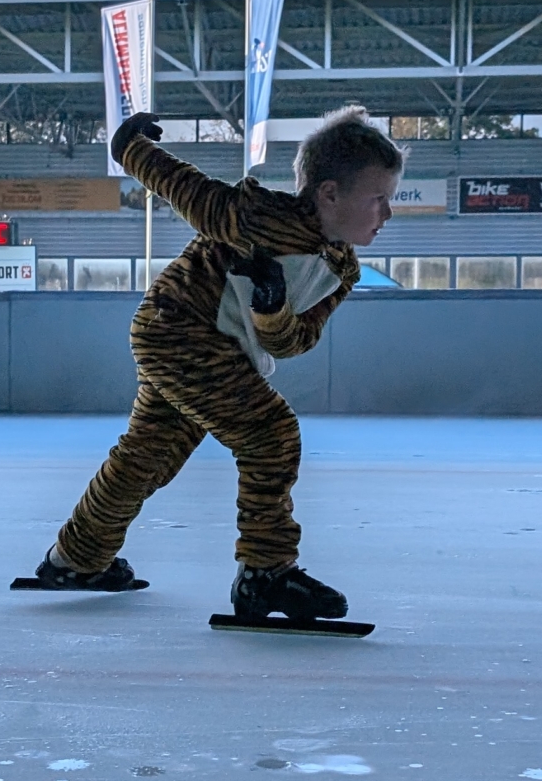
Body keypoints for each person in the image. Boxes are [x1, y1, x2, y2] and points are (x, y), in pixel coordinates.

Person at [31, 105, 400, 620]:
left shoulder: (342, 268)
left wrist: (270, 311)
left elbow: (295, 341)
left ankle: (77, 556)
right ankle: (265, 572)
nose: (388, 214)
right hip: (178, 329)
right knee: (271, 434)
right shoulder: (261, 218)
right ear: (330, 193)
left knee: (148, 455)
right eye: (379, 199)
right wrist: (133, 150)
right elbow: (194, 193)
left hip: (207, 345)